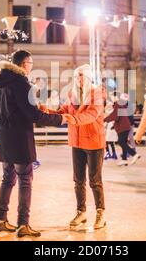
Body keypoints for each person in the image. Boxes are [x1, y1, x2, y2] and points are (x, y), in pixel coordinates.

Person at [0, 50, 72, 238]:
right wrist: (60, 119)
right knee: (25, 180)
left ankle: (0, 219)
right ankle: (23, 224)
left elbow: (14, 110)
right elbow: (33, 115)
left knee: (7, 179)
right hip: (19, 138)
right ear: (23, 64)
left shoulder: (2, 83)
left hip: (4, 137)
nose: (32, 67)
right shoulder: (22, 84)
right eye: (30, 63)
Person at [43, 64, 107, 230]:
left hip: (94, 142)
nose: (79, 79)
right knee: (78, 180)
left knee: (95, 180)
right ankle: (81, 212)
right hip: (77, 142)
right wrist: (47, 111)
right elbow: (63, 110)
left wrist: (75, 119)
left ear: (88, 77)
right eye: (76, 76)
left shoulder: (96, 93)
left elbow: (93, 113)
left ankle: (101, 213)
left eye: (81, 75)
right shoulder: (72, 94)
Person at [105, 91, 139, 167]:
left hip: (123, 127)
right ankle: (124, 160)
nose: (111, 98)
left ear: (116, 97)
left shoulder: (118, 103)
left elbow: (115, 116)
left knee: (121, 142)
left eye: (112, 97)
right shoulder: (120, 103)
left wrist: (104, 120)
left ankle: (134, 154)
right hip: (124, 126)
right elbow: (119, 116)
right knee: (123, 142)